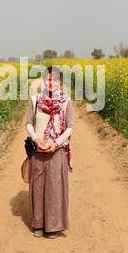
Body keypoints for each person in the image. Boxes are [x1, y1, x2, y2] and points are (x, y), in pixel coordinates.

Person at [25, 66, 74, 239]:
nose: (50, 82)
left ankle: (53, 226)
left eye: (54, 79)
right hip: (38, 151)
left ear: (59, 81)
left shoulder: (66, 101)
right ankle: (38, 224)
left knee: (54, 188)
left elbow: (70, 127)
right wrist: (35, 139)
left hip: (56, 151)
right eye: (47, 79)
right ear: (43, 80)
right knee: (38, 187)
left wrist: (56, 142)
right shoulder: (35, 100)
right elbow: (29, 123)